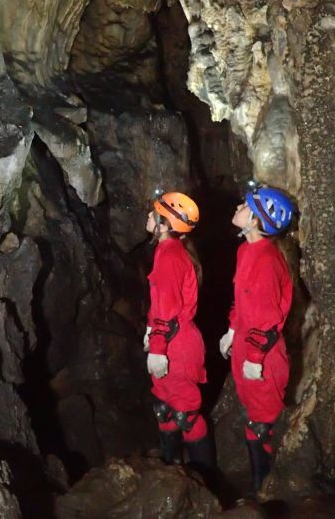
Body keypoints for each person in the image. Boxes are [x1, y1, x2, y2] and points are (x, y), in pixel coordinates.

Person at [219, 183, 294, 495]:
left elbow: (267, 320)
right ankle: (258, 489)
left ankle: (271, 491)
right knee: (253, 417)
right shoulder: (245, 251)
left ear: (256, 219)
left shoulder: (267, 261)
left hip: (264, 356)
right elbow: (242, 300)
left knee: (264, 422)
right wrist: (233, 330)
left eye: (244, 206)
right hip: (246, 348)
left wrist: (255, 357)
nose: (237, 208)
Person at [143, 191, 212, 469]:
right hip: (171, 338)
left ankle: (206, 478)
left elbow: (169, 310)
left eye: (154, 213)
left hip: (177, 346)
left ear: (165, 223)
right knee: (165, 409)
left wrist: (158, 348)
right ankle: (170, 471)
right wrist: (150, 329)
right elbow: (160, 304)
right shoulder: (166, 250)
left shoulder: (170, 255)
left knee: (186, 414)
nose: (148, 216)